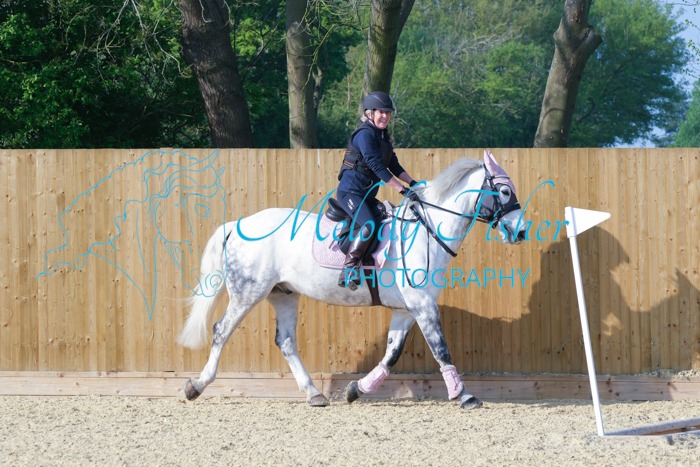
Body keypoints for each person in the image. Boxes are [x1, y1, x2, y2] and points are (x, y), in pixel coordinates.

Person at [336, 91, 418, 290]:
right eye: (381, 112)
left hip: (366, 196)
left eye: (388, 113)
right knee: (369, 224)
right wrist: (402, 190)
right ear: (369, 113)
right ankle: (349, 268)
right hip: (350, 193)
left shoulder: (383, 137)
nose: (385, 116)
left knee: (386, 217)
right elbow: (376, 165)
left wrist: (414, 183)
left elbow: (393, 165)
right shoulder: (365, 134)